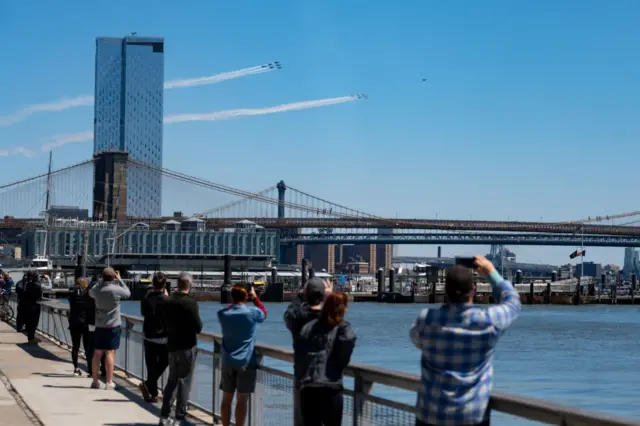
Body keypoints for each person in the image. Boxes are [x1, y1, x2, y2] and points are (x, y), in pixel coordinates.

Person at [409, 255, 522, 426]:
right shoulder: (487, 322)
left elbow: (416, 339)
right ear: (473, 289)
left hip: (430, 416)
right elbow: (513, 302)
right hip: (471, 418)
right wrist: (491, 273)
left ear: (445, 291)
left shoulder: (426, 320)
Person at [296, 292, 356, 426]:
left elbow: (301, 351)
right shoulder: (343, 328)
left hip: (308, 385)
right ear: (343, 308)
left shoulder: (309, 327)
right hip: (331, 385)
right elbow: (346, 346)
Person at [284, 277, 332, 425]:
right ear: (323, 295)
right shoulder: (331, 320)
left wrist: (301, 295)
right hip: (328, 379)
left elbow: (290, 312)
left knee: (303, 420)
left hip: (303, 375)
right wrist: (329, 299)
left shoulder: (296, 319)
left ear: (306, 293)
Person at [218, 285, 267, 426]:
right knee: (242, 401)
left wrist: (237, 300)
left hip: (227, 360)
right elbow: (264, 313)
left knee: (226, 399)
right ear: (246, 297)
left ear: (232, 297)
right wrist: (255, 298)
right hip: (246, 361)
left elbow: (227, 308)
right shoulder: (252, 313)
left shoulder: (223, 313)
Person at [160, 272, 202, 425]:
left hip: (172, 346)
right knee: (184, 381)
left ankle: (164, 415)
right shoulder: (191, 303)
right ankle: (180, 416)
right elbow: (198, 327)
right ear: (189, 286)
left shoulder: (167, 301)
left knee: (172, 380)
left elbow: (164, 323)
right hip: (187, 346)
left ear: (177, 284)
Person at [89, 267, 131, 390]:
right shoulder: (116, 290)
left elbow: (90, 291)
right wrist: (120, 280)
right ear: (113, 277)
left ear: (103, 277)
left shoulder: (97, 290)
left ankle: (95, 381)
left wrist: (100, 281)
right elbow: (128, 293)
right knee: (110, 352)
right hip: (113, 325)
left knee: (97, 353)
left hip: (100, 325)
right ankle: (109, 381)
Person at [139, 272, 169, 403]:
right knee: (164, 362)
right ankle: (150, 388)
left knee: (151, 366)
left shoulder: (146, 299)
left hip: (149, 336)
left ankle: (153, 392)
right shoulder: (167, 300)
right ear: (164, 285)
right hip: (164, 338)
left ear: (153, 284)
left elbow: (143, 312)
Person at [68, 277, 95, 376]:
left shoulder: (72, 295)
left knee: (75, 346)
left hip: (74, 322)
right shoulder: (89, 295)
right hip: (86, 323)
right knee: (88, 347)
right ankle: (91, 369)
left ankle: (76, 368)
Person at [22, 271, 44, 344]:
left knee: (29, 322)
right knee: (34, 322)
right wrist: (48, 279)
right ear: (37, 277)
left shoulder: (28, 284)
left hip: (28, 305)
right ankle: (31, 338)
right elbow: (49, 288)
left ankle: (30, 338)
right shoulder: (38, 285)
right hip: (35, 306)